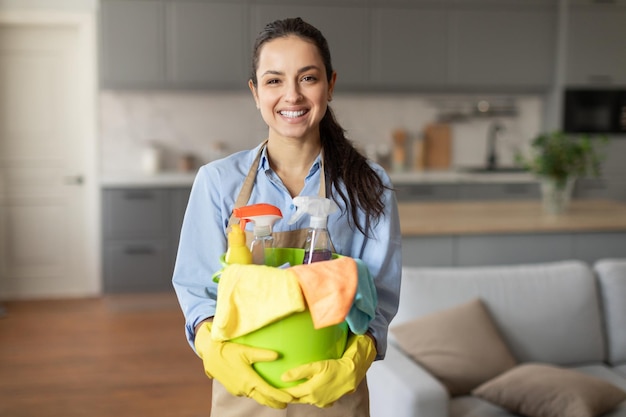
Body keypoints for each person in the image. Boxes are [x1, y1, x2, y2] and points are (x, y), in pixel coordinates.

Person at [172, 17, 402, 417]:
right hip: (244, 388)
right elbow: (196, 288)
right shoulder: (218, 182)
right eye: (274, 80)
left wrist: (357, 357)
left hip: (332, 388)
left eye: (307, 78)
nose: (291, 96)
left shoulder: (369, 184)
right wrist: (213, 349)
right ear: (255, 91)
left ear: (330, 85)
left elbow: (379, 295)